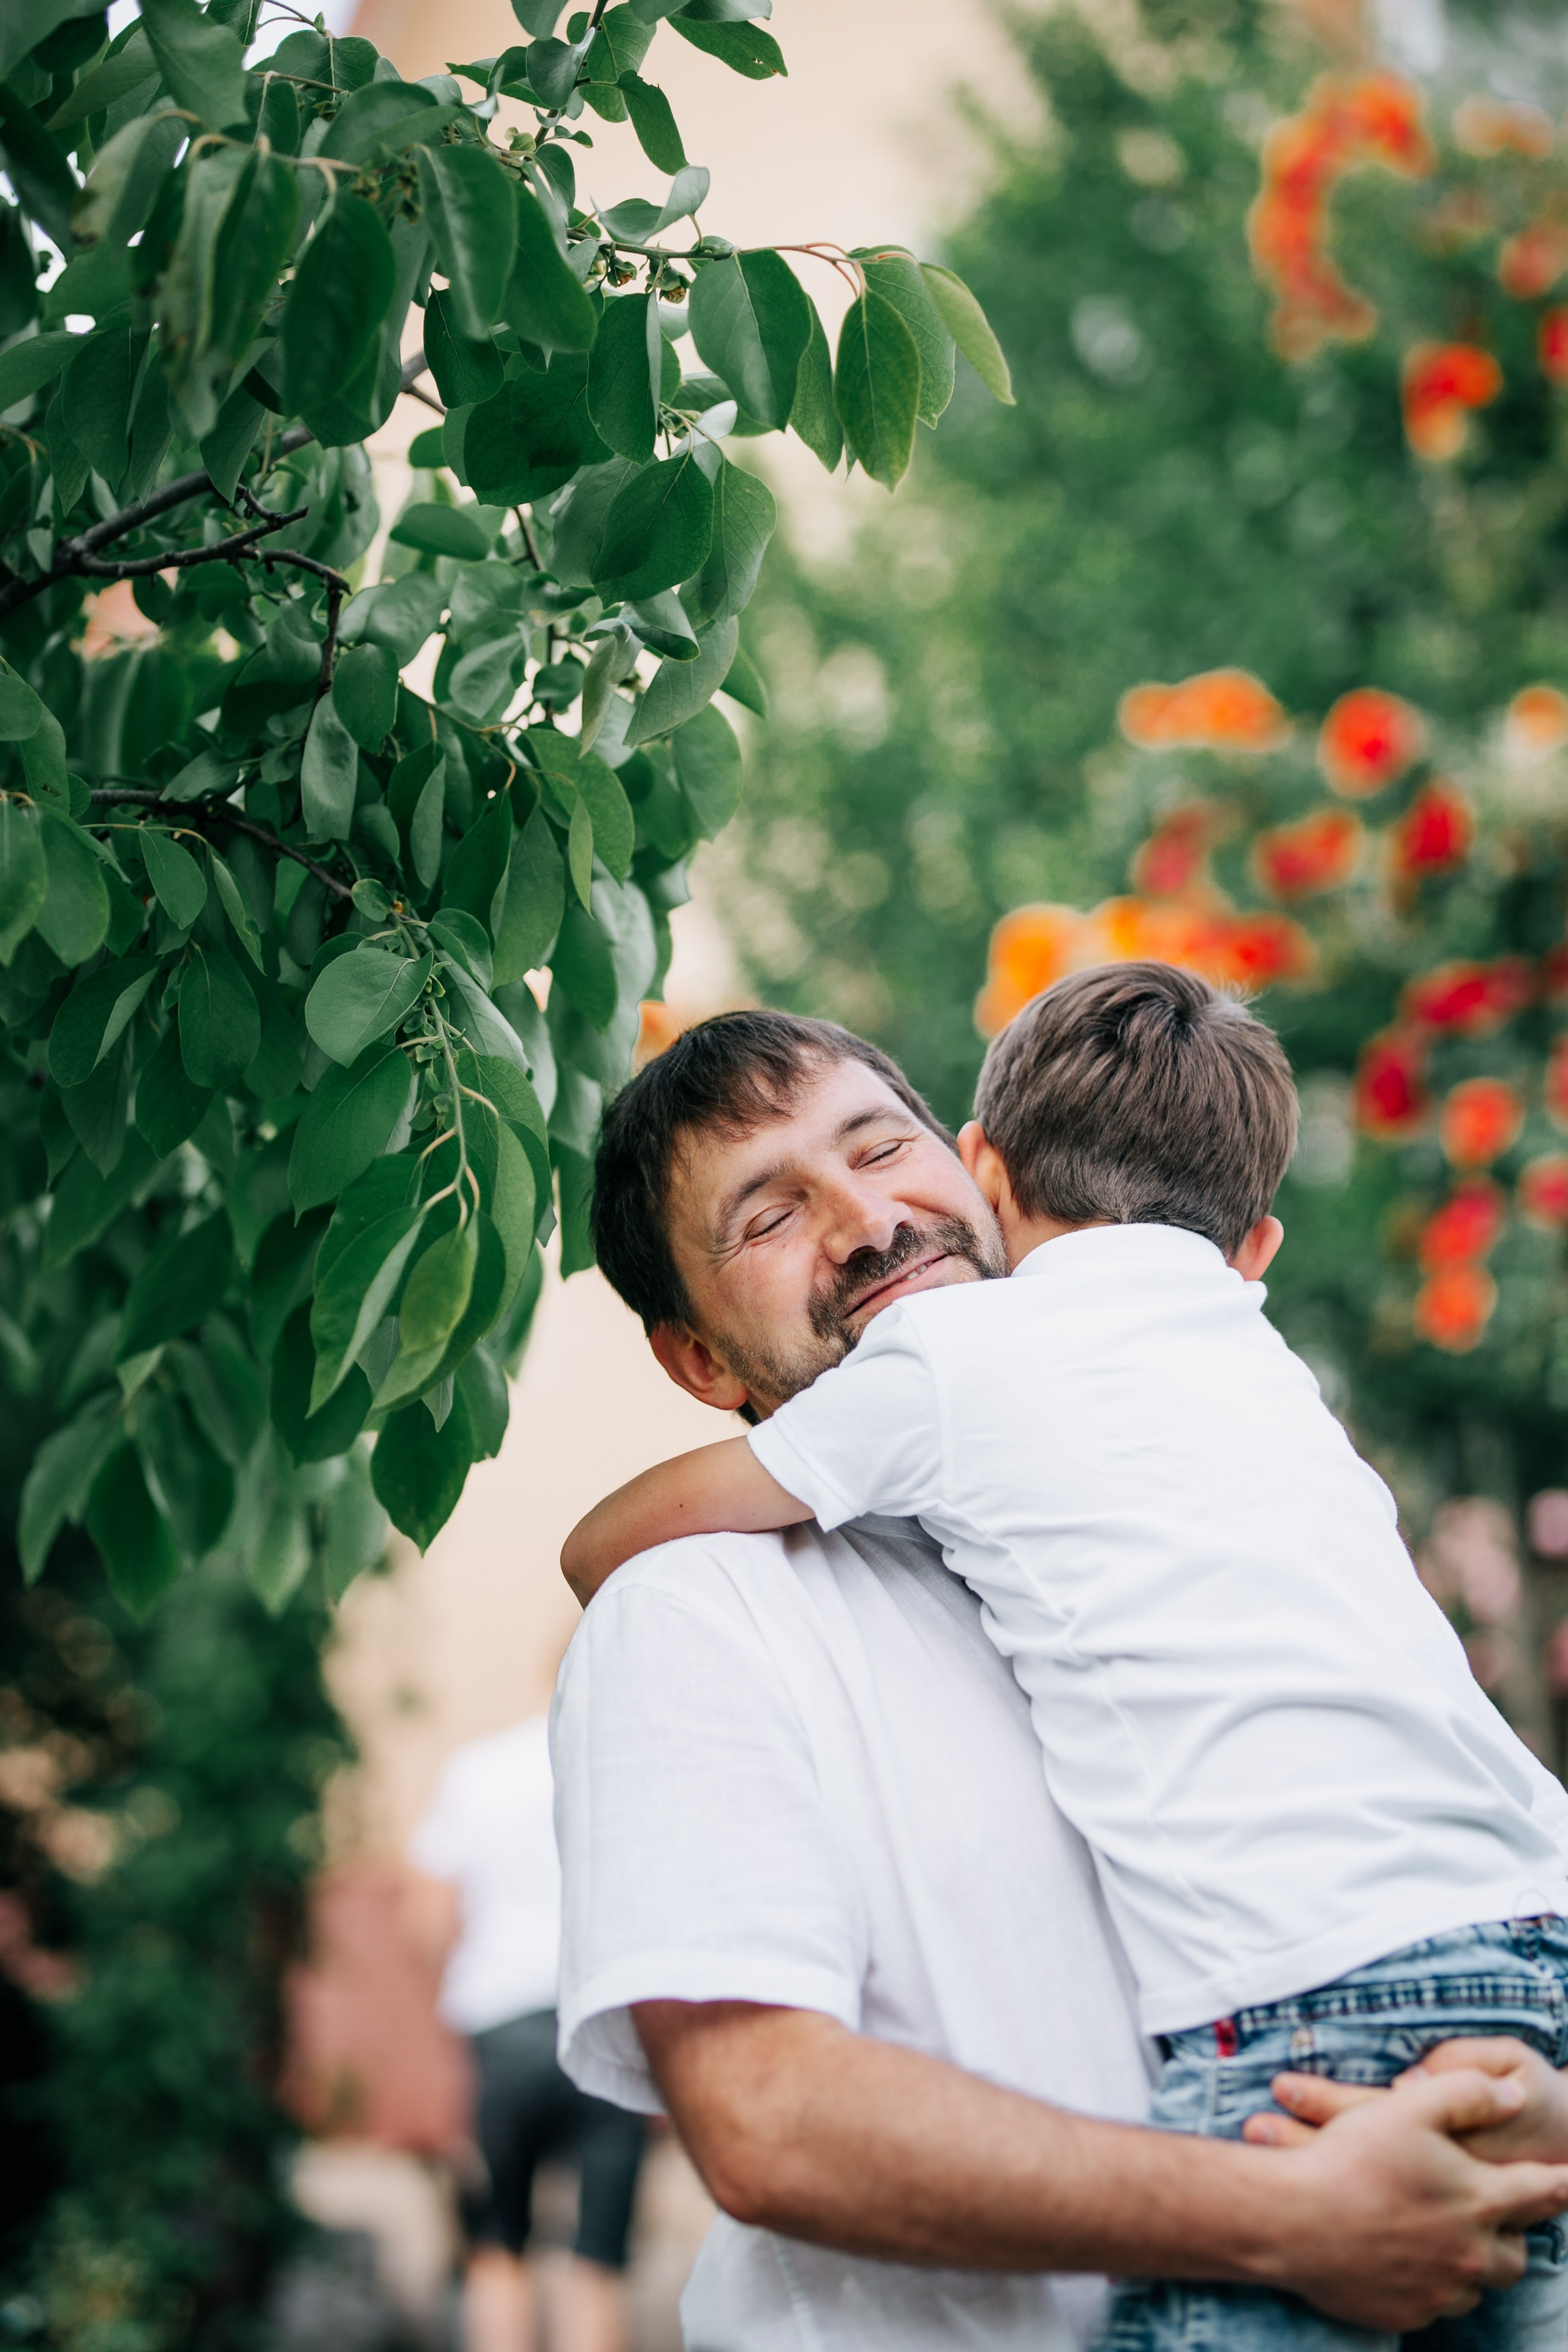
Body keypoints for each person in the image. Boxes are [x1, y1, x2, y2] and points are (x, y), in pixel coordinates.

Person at [566, 965, 1568, 2349]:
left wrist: (1520, 2103)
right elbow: (769, 2122)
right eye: (770, 1212)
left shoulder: (1146, 1502)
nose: (866, 1220)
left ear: (974, 1161)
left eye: (876, 1146)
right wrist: (1286, 2215)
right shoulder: (691, 1611)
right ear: (697, 1364)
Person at [406, 1714, 647, 2352]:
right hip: (604, 2027)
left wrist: (447, 2024)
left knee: (495, 2245)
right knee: (598, 2258)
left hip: (502, 2027)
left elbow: (429, 1919)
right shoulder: (633, 1767)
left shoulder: (477, 1768)